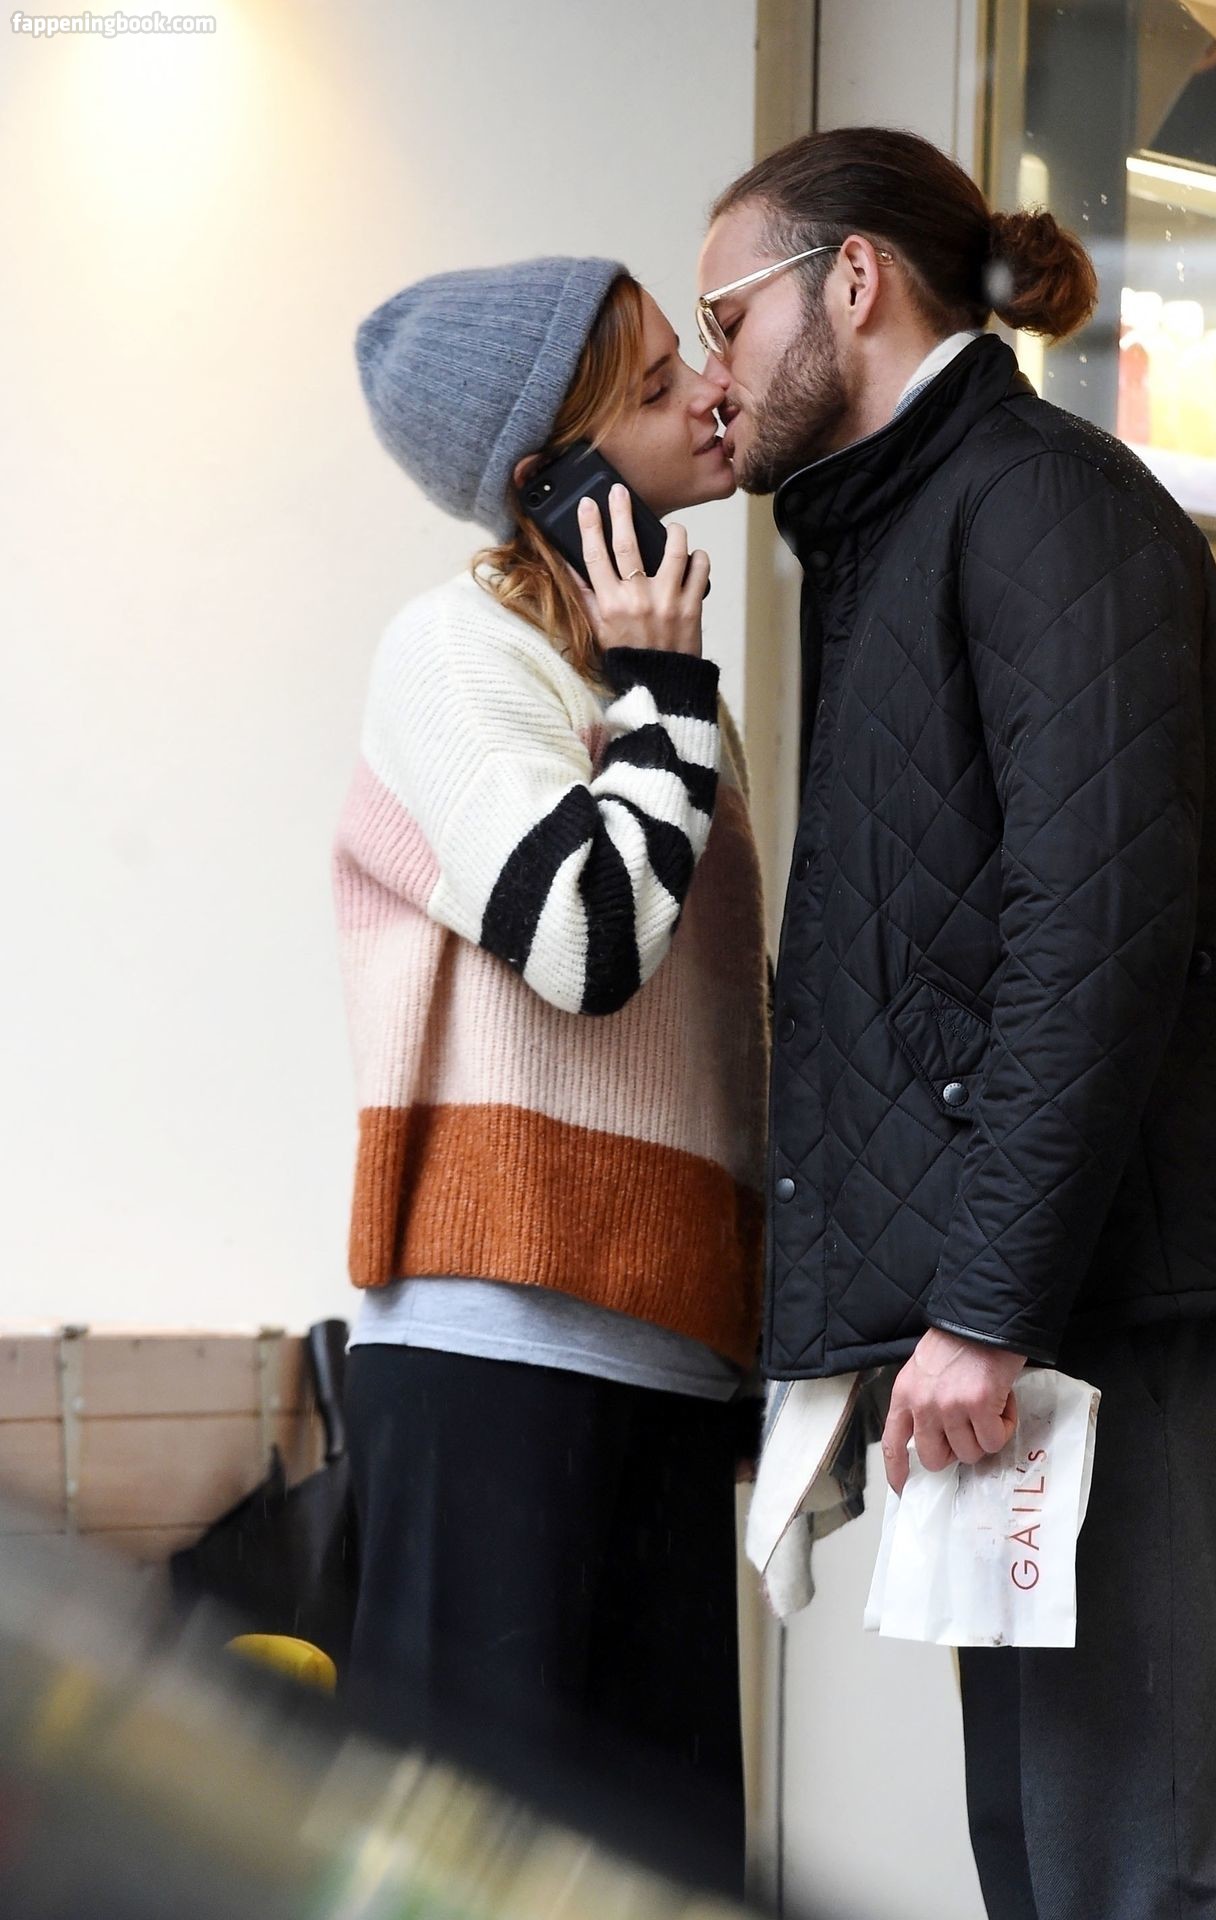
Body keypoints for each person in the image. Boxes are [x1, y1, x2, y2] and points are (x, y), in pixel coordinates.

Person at [699, 128, 1216, 1920]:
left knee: (1139, 1865)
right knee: (1051, 1857)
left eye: (725, 318)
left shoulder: (1043, 505)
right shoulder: (906, 529)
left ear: (852, 281)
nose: (713, 372)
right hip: (1049, 1298)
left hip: (1109, 1299)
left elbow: (1096, 929)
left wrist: (982, 1307)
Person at [333, 258, 768, 1894]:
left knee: (655, 1880)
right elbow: (584, 940)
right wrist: (665, 697)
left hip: (658, 1365)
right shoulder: (456, 660)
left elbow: (725, 1038)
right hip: (494, 1359)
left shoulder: (637, 686)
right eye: (656, 390)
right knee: (464, 1882)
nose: (711, 394)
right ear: (553, 482)